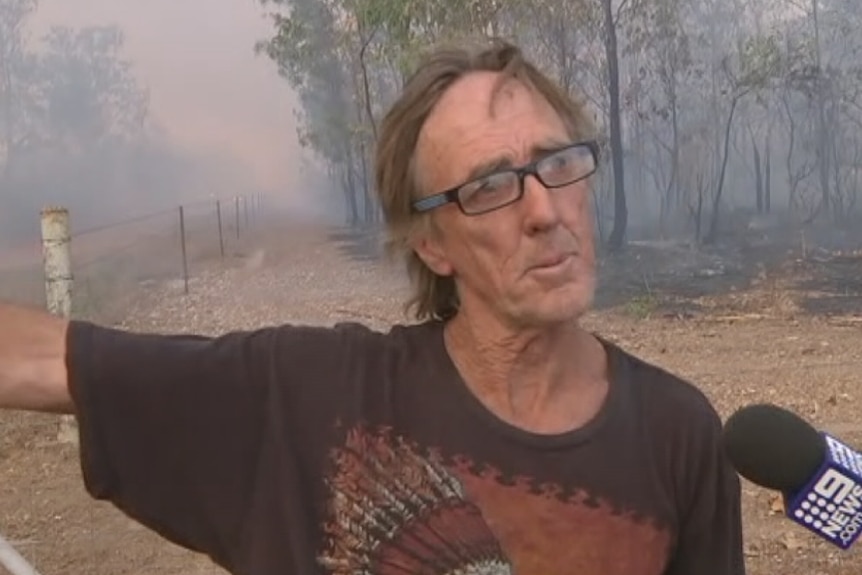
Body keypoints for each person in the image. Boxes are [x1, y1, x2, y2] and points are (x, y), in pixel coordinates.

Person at [0, 38, 745, 574]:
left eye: (556, 162)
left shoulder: (678, 434)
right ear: (432, 245)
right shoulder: (310, 396)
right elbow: (45, 359)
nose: (545, 210)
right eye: (489, 186)